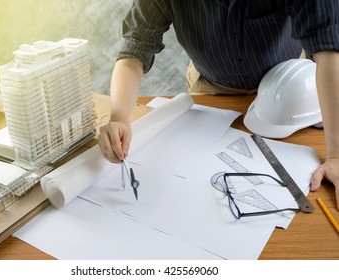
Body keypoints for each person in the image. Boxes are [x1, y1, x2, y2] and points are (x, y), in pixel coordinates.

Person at [98, 0, 339, 209]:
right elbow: (134, 50)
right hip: (212, 88)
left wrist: (336, 157)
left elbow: (329, 50)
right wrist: (119, 116)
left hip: (287, 91)